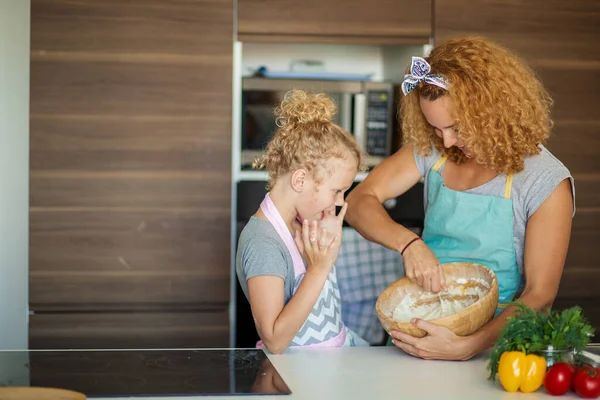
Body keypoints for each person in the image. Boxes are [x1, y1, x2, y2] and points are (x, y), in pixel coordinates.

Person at [345, 37, 575, 360]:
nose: (448, 141)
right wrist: (409, 244)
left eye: (456, 127)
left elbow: (539, 297)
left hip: (495, 352)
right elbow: (358, 201)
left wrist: (466, 347)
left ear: (491, 110)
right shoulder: (434, 149)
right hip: (418, 336)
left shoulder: (544, 179)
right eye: (437, 129)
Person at [236, 89, 369, 354]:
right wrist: (319, 269)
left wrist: (327, 243)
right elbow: (274, 340)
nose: (341, 201)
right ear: (299, 180)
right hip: (299, 374)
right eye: (336, 191)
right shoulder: (263, 243)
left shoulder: (301, 222)